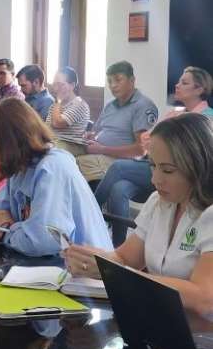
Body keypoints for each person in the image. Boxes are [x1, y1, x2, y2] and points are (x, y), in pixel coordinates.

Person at [66, 113, 213, 317]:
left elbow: (203, 298)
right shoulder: (158, 203)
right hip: (162, 327)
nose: (155, 179)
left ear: (200, 167)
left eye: (168, 170)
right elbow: (125, 258)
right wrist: (94, 261)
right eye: (153, 165)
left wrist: (119, 276)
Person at [0, 98, 112, 256]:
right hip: (48, 265)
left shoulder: (53, 167)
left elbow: (45, 241)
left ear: (6, 144)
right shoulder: (20, 166)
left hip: (83, 272)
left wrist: (6, 231)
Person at [94, 66, 213, 246]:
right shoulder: (175, 114)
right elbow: (148, 143)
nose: (177, 85)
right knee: (119, 189)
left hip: (181, 175)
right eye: (179, 81)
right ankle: (117, 246)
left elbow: (187, 155)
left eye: (184, 82)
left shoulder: (207, 118)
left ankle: (90, 210)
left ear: (199, 89)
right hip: (155, 166)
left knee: (118, 167)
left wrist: (158, 143)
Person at [76, 60, 158, 184]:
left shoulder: (143, 106)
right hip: (98, 153)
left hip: (121, 160)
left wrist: (102, 149)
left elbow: (141, 150)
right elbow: (97, 131)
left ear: (132, 81)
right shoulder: (110, 105)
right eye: (109, 81)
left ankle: (92, 201)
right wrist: (90, 136)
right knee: (62, 154)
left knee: (75, 164)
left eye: (118, 80)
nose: (113, 85)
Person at [45, 66, 90, 156]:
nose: (56, 89)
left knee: (49, 151)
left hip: (71, 144)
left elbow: (57, 123)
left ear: (72, 85)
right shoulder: (55, 105)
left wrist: (58, 101)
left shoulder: (79, 104)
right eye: (54, 84)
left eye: (61, 84)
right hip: (54, 141)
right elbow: (47, 126)